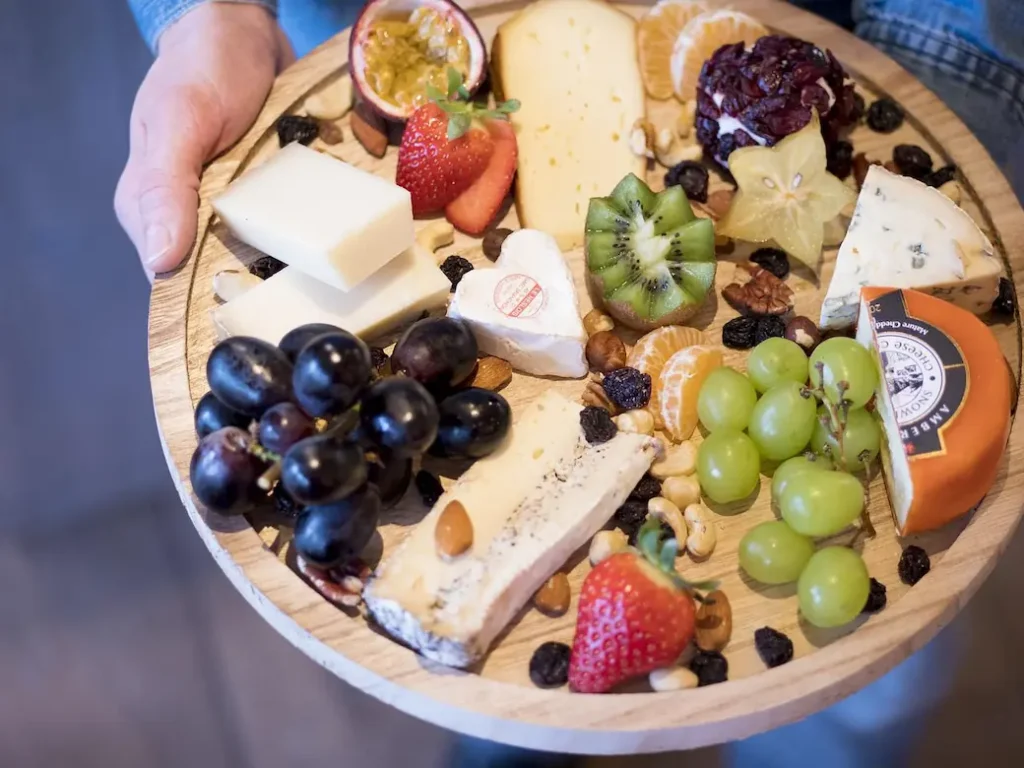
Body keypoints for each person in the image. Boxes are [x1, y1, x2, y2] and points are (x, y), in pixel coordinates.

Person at [115, 1, 1023, 765]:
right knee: (499, 719)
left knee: (865, 697)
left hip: (855, 39)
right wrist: (208, 15)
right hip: (405, 29)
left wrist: (959, 62)